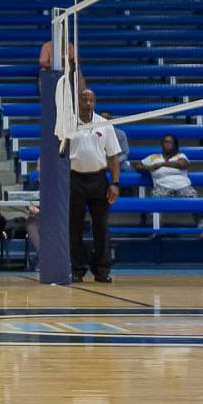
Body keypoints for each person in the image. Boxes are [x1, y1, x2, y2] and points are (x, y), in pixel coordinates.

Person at [67, 88, 121, 284]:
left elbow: (113, 156)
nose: (87, 103)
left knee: (101, 226)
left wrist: (115, 183)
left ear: (95, 102)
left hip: (99, 179)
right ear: (77, 102)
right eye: (83, 99)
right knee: (75, 227)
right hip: (75, 179)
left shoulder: (104, 124)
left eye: (91, 99)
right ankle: (77, 269)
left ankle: (102, 270)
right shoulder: (69, 123)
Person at [131, 133, 203, 239]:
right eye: (165, 142)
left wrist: (162, 164)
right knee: (155, 199)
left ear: (175, 145)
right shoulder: (154, 157)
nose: (167, 144)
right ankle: (156, 230)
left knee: (194, 199)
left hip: (183, 185)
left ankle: (202, 231)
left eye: (170, 142)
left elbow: (183, 164)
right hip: (162, 186)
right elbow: (137, 166)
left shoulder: (180, 156)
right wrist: (149, 168)